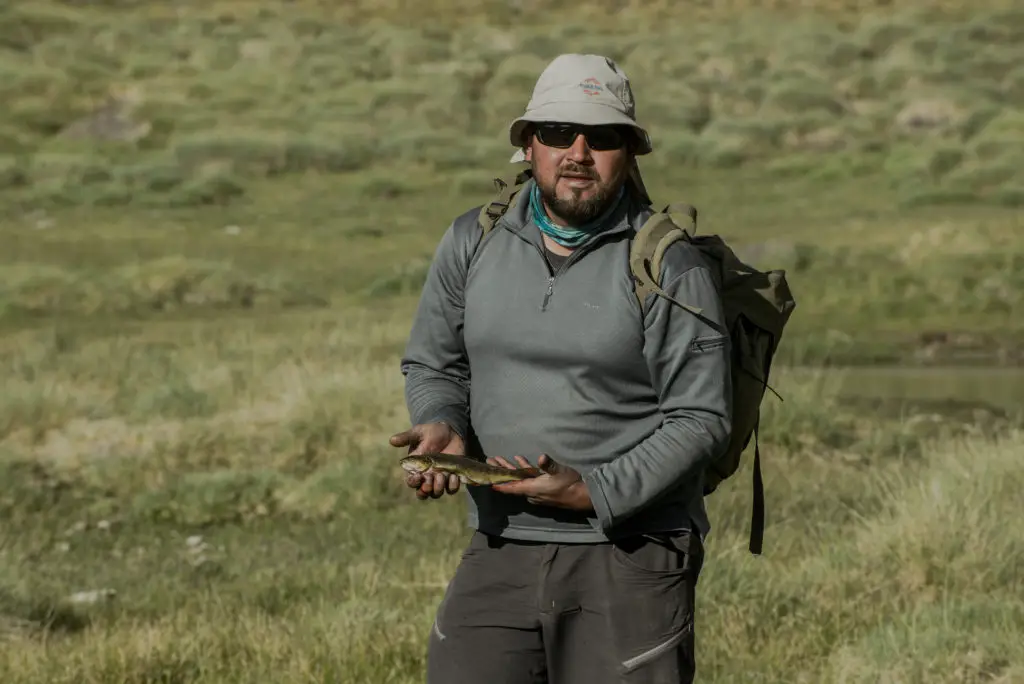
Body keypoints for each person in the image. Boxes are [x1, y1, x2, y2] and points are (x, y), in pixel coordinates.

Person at [389, 53, 733, 684]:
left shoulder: (668, 264)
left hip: (633, 556)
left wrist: (591, 491)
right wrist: (440, 422)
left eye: (601, 138)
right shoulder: (473, 240)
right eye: (556, 133)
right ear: (528, 145)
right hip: (499, 544)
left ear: (629, 152)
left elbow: (701, 418)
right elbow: (435, 362)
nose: (577, 151)